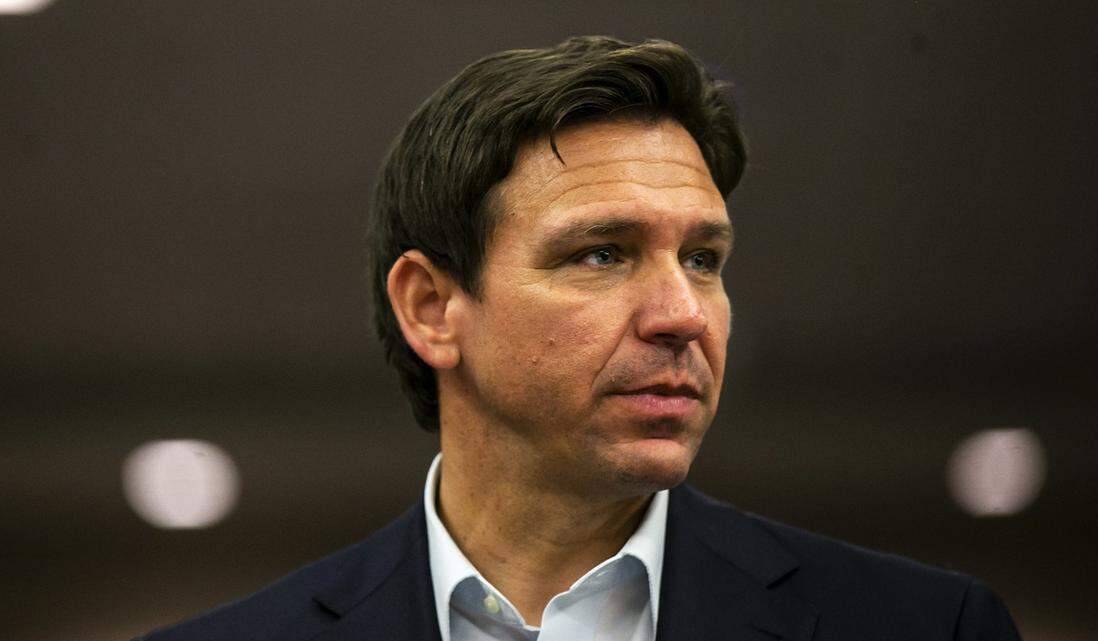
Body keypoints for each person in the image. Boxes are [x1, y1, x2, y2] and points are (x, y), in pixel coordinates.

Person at [139, 36, 1021, 641]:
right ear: (432, 307)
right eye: (602, 253)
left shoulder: (925, 627)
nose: (684, 313)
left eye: (704, 258)